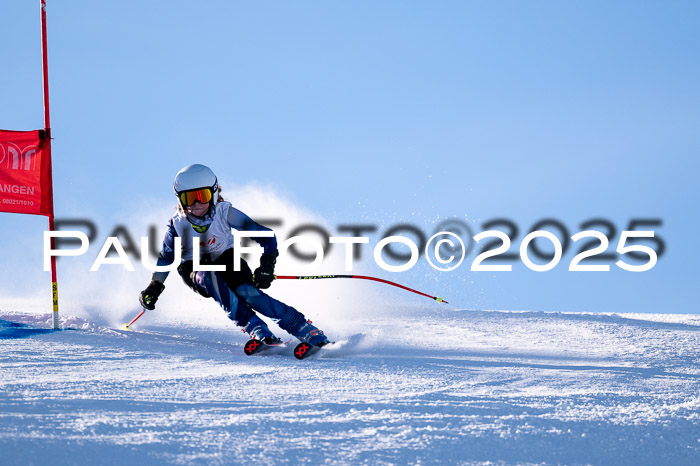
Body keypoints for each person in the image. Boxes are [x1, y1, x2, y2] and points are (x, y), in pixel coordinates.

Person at [138, 163, 329, 347]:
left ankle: (304, 328)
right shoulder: (177, 224)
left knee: (249, 293)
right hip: (194, 267)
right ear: (179, 199)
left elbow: (265, 235)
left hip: (227, 259)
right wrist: (154, 286)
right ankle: (256, 328)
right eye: (189, 198)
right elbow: (166, 258)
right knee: (208, 275)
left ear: (213, 193)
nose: (196, 204)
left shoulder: (224, 213)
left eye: (202, 196)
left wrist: (267, 265)